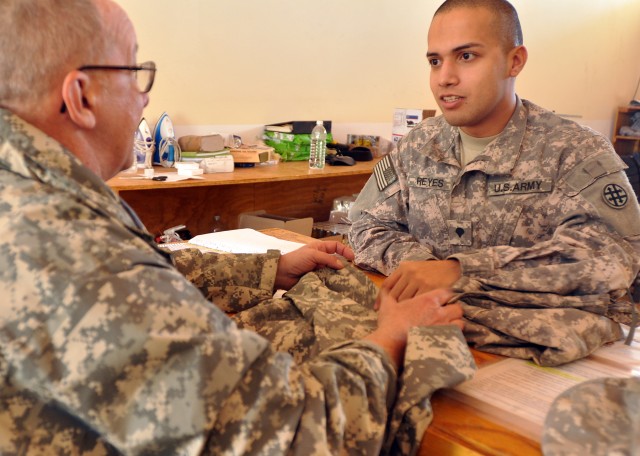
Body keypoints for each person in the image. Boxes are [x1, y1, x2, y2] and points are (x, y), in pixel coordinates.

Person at [0, 0, 470, 454]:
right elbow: (291, 434)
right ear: (80, 97)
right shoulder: (69, 248)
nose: (145, 96)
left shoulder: (30, 193)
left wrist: (269, 270)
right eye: (135, 72)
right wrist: (391, 336)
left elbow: (144, 273)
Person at [349, 0, 640, 365]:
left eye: (466, 56)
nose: (444, 78)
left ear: (514, 61)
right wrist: (419, 266)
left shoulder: (573, 150)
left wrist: (459, 272)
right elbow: (366, 223)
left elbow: (613, 257)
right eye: (435, 61)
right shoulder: (418, 145)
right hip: (425, 331)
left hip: (533, 360)